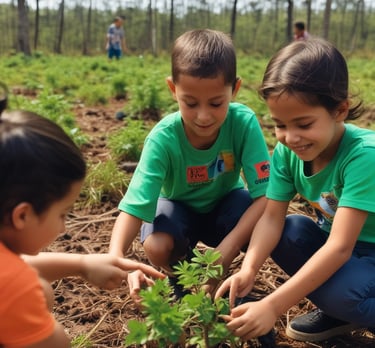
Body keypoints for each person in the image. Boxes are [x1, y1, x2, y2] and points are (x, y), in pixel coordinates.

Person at [215, 37, 375, 343]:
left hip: (364, 250)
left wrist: (272, 306)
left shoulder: (364, 156)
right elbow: (271, 218)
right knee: (290, 232)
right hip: (349, 253)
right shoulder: (288, 153)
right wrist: (248, 270)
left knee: (344, 295)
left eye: (303, 124)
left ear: (339, 110)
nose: (290, 137)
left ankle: (342, 307)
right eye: (280, 124)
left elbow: (340, 247)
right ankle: (339, 312)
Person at [109, 29, 270, 300]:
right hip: (178, 210)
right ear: (173, 89)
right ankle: (180, 278)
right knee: (157, 246)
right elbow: (135, 206)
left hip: (225, 208)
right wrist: (115, 258)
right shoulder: (164, 139)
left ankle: (220, 276)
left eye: (217, 103)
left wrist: (227, 249)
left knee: (261, 217)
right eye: (191, 103)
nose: (204, 116)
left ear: (235, 89)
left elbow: (266, 195)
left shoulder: (243, 123)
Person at [0, 110, 164, 347]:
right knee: (40, 291)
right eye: (62, 214)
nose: (63, 226)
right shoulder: (16, 290)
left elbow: (14, 267)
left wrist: (82, 265)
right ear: (22, 215)